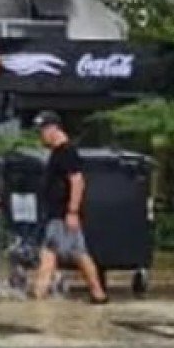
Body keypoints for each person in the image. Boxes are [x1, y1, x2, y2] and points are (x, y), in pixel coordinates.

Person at [29, 111, 109, 305]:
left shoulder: (66, 152)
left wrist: (72, 212)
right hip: (58, 214)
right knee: (65, 254)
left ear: (53, 129)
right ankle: (96, 294)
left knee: (65, 253)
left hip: (63, 214)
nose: (41, 135)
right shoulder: (58, 153)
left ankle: (40, 298)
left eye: (42, 130)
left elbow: (77, 181)